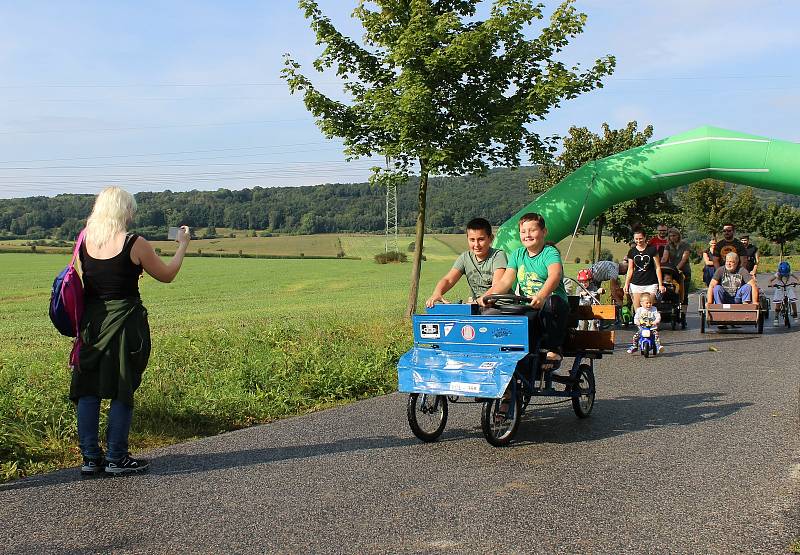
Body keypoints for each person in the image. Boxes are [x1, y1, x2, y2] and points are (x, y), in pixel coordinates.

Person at [72, 186, 190, 476]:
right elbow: (167, 275)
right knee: (121, 389)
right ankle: (116, 457)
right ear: (124, 211)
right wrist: (182, 245)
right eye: (132, 209)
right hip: (125, 323)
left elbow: (80, 280)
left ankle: (90, 458)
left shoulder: (84, 240)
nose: (134, 214)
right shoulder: (134, 243)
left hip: (91, 323)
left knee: (88, 390)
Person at [479, 212, 569, 370]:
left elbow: (555, 275)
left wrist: (541, 295)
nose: (527, 235)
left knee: (551, 303)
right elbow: (506, 281)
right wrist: (486, 297)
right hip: (529, 305)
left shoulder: (549, 252)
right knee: (490, 313)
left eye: (532, 230)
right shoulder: (517, 254)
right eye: (523, 231)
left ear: (544, 232)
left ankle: (554, 349)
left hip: (551, 306)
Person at [425, 218, 507, 308]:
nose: (476, 245)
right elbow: (448, 280)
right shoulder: (465, 258)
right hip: (478, 306)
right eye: (472, 240)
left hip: (500, 306)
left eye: (481, 239)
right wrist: (437, 293)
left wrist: (481, 300)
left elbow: (497, 286)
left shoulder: (498, 255)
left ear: (490, 238)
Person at [624, 228, 666, 310]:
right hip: (636, 284)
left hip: (650, 283)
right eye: (636, 239)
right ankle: (639, 323)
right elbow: (630, 269)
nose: (638, 241)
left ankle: (651, 322)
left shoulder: (652, 250)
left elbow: (657, 267)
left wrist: (660, 284)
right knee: (638, 310)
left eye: (640, 239)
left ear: (645, 237)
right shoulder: (632, 252)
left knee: (649, 309)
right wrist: (626, 284)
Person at [664, 228, 692, 312]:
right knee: (670, 289)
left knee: (684, 293)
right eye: (670, 236)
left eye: (674, 235)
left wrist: (676, 269)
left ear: (678, 236)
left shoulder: (685, 245)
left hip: (684, 271)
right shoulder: (668, 246)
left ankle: (683, 313)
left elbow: (684, 259)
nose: (672, 238)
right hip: (672, 271)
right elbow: (665, 258)